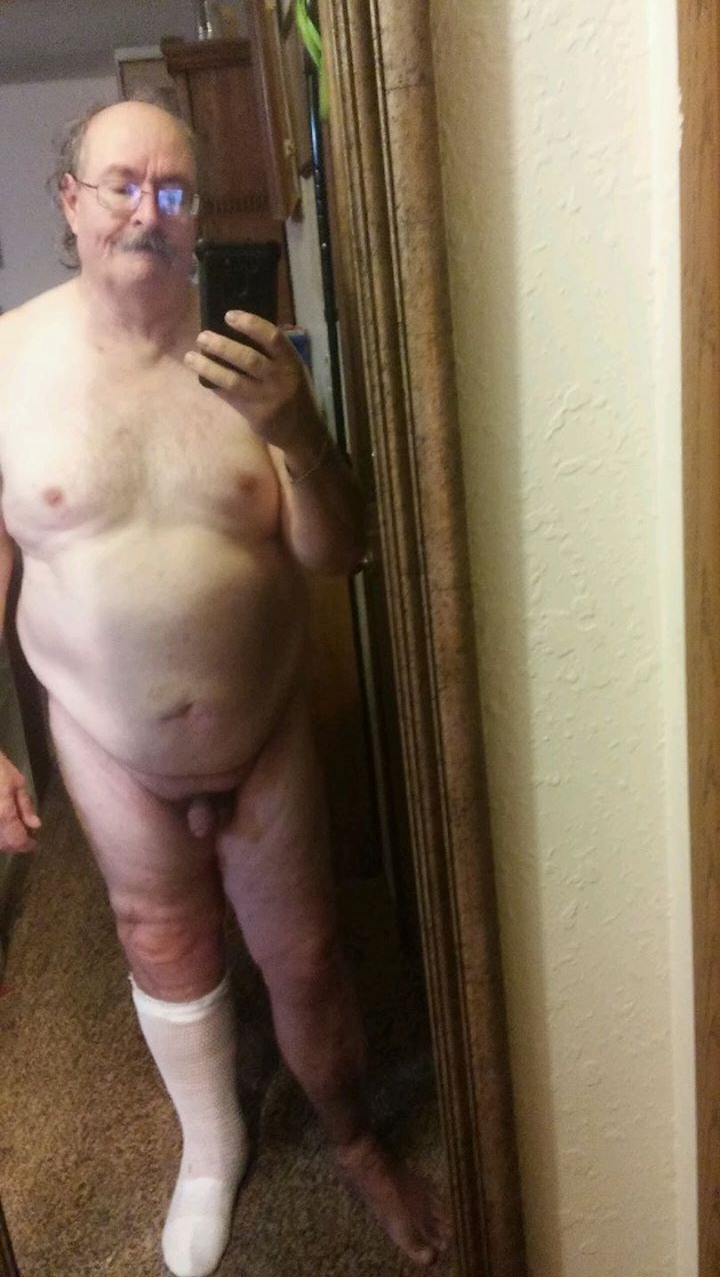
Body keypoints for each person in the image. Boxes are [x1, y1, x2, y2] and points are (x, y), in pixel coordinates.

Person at [0, 100, 449, 1276]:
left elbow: (338, 552)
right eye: (122, 185)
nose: (148, 212)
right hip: (107, 743)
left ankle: (354, 1139)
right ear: (70, 201)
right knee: (162, 938)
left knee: (306, 956)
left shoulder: (256, 362)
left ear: (199, 217)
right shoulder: (5, 364)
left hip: (262, 734)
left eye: (175, 191)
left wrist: (299, 432)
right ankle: (212, 1145)